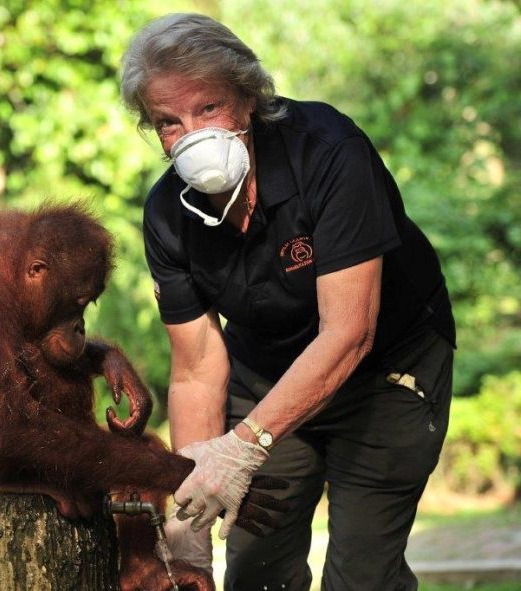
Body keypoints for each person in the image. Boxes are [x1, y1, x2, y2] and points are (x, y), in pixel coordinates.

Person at [119, 13, 456, 591]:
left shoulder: (329, 153)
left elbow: (349, 333)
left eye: (208, 109)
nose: (191, 134)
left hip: (386, 370)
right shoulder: (167, 215)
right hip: (268, 375)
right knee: (255, 572)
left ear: (248, 98)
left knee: (361, 577)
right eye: (168, 122)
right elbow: (198, 369)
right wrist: (193, 506)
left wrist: (243, 449)